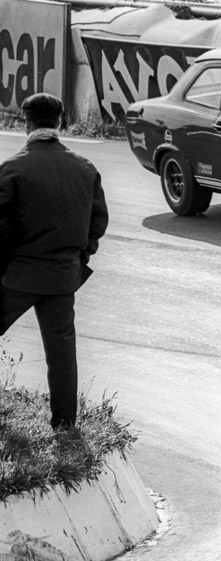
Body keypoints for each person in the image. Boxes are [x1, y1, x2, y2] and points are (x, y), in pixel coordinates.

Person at [0, 93, 109, 431]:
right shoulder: (84, 168)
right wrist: (78, 259)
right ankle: (64, 424)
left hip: (18, 277)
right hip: (63, 278)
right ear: (60, 123)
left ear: (25, 122)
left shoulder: (13, 168)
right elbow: (98, 222)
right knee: (61, 352)